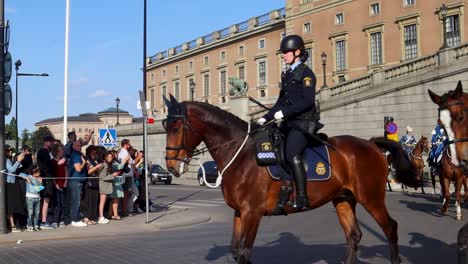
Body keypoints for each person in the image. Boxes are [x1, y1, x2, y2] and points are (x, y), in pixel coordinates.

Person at [256, 34, 318, 210]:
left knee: (291, 153)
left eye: (286, 52)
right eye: (283, 53)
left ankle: (302, 197)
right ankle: (283, 190)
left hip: (304, 123)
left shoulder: (306, 74)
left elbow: (307, 101)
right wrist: (265, 118)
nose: (283, 55)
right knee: (274, 147)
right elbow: (280, 103)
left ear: (297, 52)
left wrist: (285, 112)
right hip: (289, 123)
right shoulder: (287, 75)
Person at [36, 135, 56, 229]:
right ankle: (44, 221)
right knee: (46, 200)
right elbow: (46, 166)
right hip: (46, 179)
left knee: (43, 200)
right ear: (47, 142)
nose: (52, 144)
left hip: (45, 178)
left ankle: (41, 219)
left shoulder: (43, 152)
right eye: (51, 142)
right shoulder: (44, 152)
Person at [67, 140, 88, 227]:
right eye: (78, 145)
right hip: (75, 180)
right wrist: (84, 162)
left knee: (76, 201)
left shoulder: (78, 154)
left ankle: (75, 217)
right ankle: (74, 220)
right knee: (76, 201)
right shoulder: (75, 155)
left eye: (80, 145)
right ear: (73, 146)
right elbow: (78, 169)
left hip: (78, 180)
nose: (80, 147)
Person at [5, 145, 25, 232]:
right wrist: (18, 161)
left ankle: (12, 225)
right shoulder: (5, 160)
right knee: (10, 206)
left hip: (11, 183)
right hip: (9, 184)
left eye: (10, 150)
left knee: (12, 206)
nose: (10, 152)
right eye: (8, 150)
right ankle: (12, 226)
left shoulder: (8, 159)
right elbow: (12, 170)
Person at [19, 165, 44, 231]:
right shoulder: (29, 177)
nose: (39, 172)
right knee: (30, 213)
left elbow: (39, 189)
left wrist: (40, 183)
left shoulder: (39, 179)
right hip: (30, 198)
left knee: (37, 213)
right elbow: (20, 174)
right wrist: (26, 177)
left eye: (39, 171)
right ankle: (29, 225)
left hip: (37, 198)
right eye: (38, 171)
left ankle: (36, 225)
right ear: (33, 172)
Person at [82, 146, 103, 225]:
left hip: (96, 181)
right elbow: (88, 172)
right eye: (94, 151)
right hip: (89, 182)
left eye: (96, 151)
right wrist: (96, 167)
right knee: (88, 200)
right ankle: (86, 217)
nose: (95, 153)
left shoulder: (95, 160)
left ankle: (93, 217)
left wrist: (99, 168)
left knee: (95, 200)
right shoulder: (87, 160)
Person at [50, 143, 67, 227]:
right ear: (56, 151)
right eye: (60, 150)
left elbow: (66, 171)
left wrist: (66, 181)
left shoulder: (64, 160)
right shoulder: (53, 162)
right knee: (56, 203)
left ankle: (62, 219)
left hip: (63, 183)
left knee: (63, 203)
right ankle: (55, 220)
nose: (62, 152)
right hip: (56, 184)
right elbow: (52, 174)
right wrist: (55, 184)